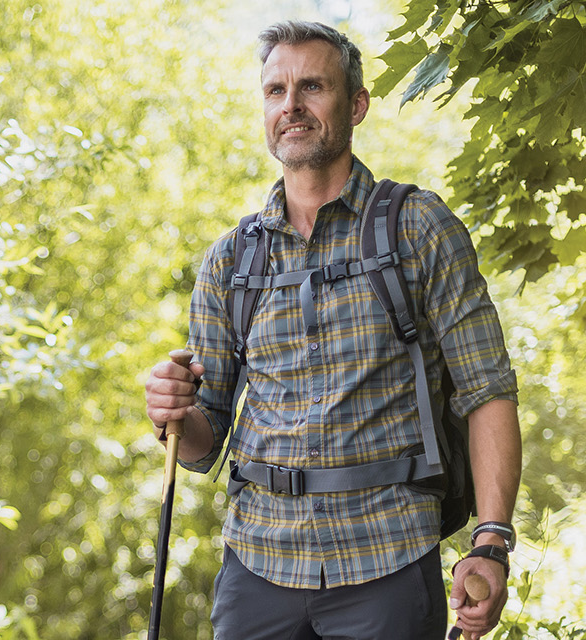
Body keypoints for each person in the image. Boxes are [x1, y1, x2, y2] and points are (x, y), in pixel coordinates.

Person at [142, 20, 523, 640]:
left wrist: (492, 539)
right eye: (275, 91)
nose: (290, 105)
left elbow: (487, 390)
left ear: (357, 105)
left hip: (389, 559)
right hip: (256, 567)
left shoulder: (418, 229)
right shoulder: (231, 260)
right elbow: (201, 445)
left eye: (312, 86)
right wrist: (171, 411)